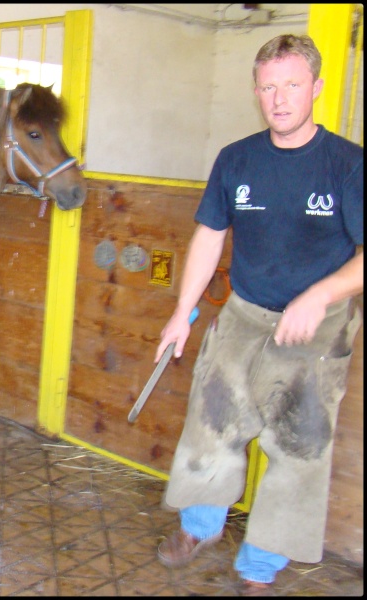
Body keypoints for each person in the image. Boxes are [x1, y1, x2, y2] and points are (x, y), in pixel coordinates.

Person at [154, 34, 363, 596]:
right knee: (211, 420)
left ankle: (260, 568)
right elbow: (210, 235)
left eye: (293, 84)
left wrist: (319, 296)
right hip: (246, 313)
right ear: (256, 92)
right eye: (269, 86)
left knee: (297, 445)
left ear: (316, 88)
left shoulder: (348, 165)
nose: (280, 98)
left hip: (317, 328)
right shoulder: (236, 158)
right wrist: (182, 311)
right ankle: (200, 528)